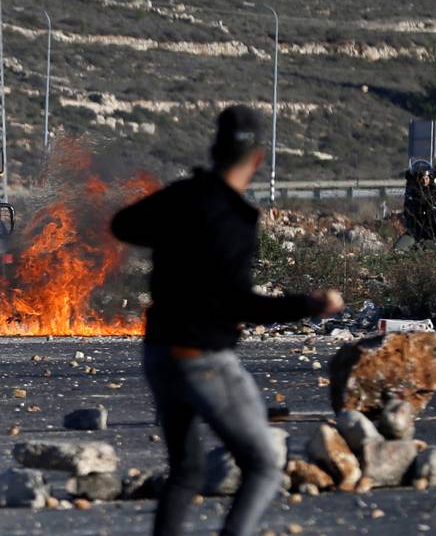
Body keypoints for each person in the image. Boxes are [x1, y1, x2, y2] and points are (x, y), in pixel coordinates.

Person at [111, 105, 344, 536]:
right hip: (202, 358)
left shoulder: (183, 196)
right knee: (264, 464)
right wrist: (309, 305)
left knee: (186, 471)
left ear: (214, 148)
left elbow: (124, 224)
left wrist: (174, 234)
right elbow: (242, 305)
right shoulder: (237, 219)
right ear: (258, 160)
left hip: (159, 352)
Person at [401, 160, 436, 247]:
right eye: (421, 179)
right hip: (416, 230)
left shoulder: (435, 190)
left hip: (435, 230)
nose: (424, 181)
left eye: (426, 178)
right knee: (399, 249)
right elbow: (410, 211)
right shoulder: (412, 192)